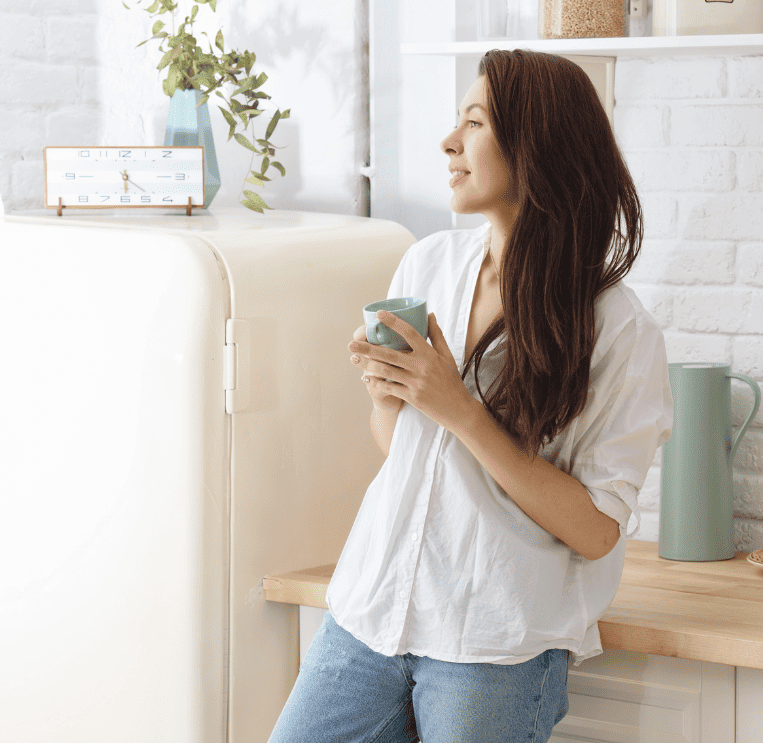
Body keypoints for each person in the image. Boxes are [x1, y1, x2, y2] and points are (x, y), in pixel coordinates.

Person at [267, 49, 673, 743]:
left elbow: (596, 528)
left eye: (475, 122)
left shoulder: (617, 327)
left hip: (492, 644)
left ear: (535, 148)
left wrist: (456, 406)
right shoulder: (428, 262)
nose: (449, 142)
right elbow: (411, 456)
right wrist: (393, 397)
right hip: (371, 610)